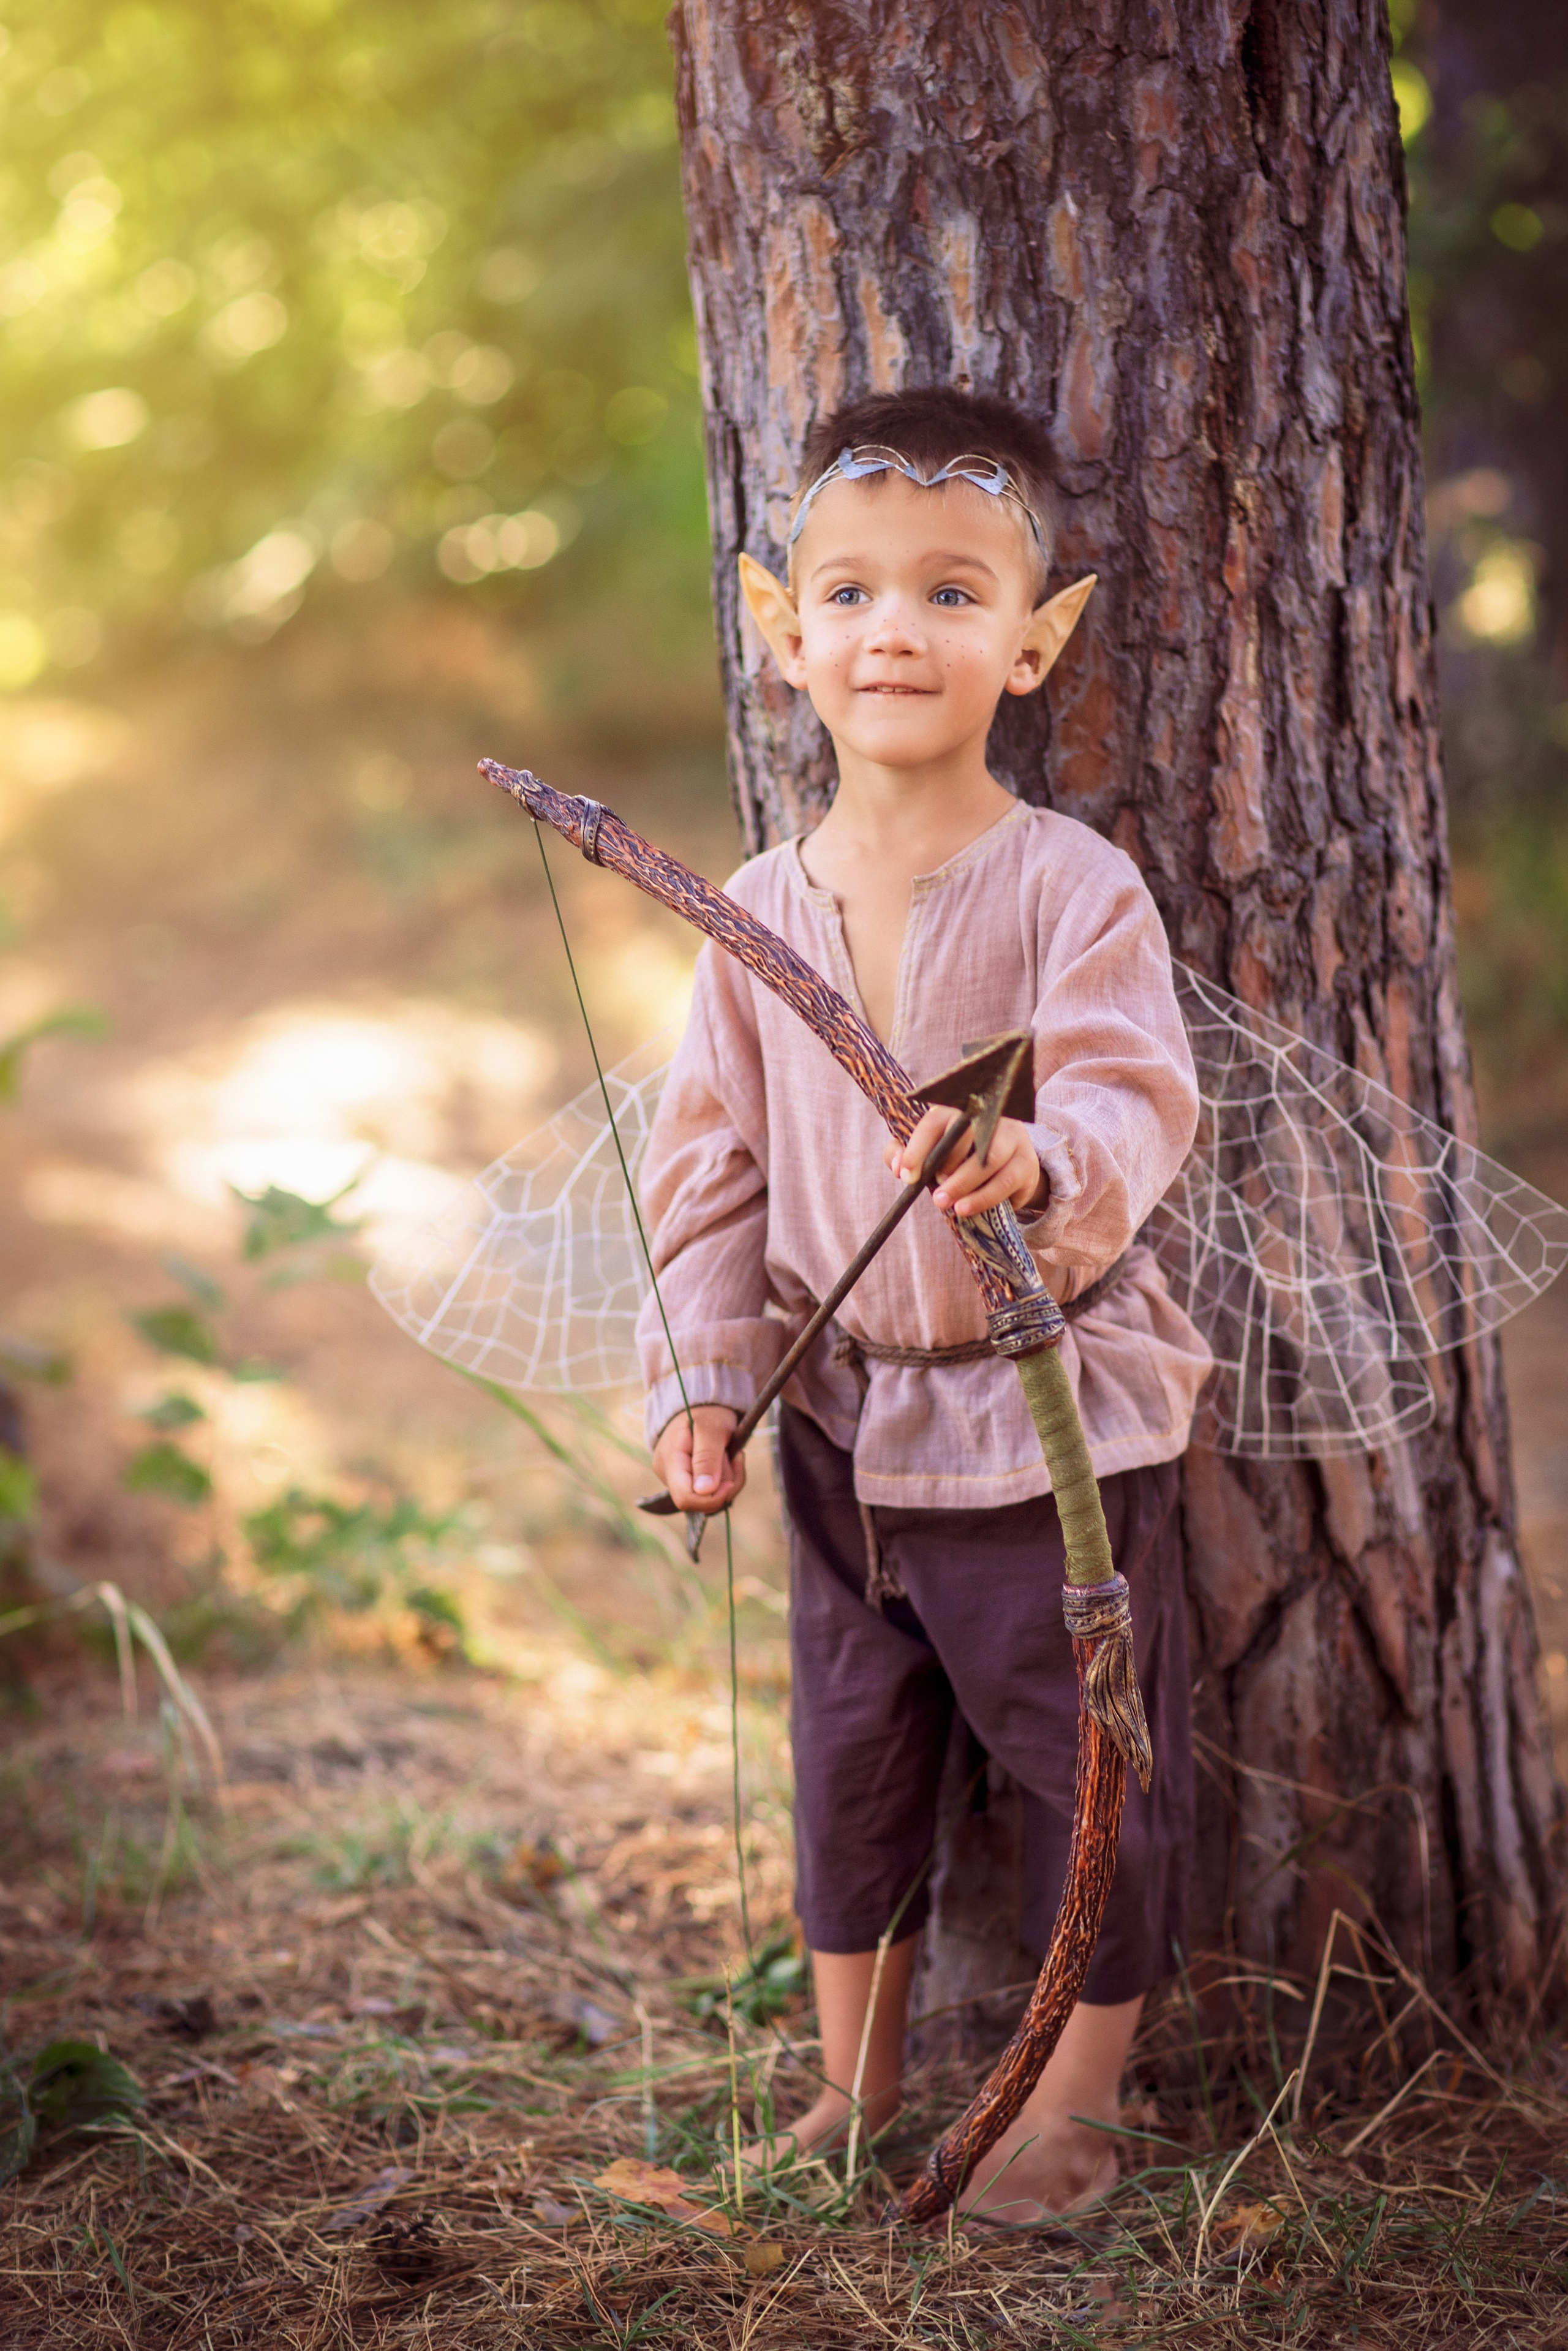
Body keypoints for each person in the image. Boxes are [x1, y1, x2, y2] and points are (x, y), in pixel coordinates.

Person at [638, 385, 1212, 2222]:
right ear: (780, 629)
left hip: (1042, 1426)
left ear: (1036, 641)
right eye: (853, 592)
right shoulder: (754, 914)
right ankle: (851, 2088)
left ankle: (1076, 2110)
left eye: (955, 593)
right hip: (837, 1419)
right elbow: (713, 1178)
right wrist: (706, 1383)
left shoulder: (1070, 887)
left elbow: (1135, 1092)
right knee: (852, 1758)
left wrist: (1044, 1161)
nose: (897, 629)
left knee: (1083, 1761)